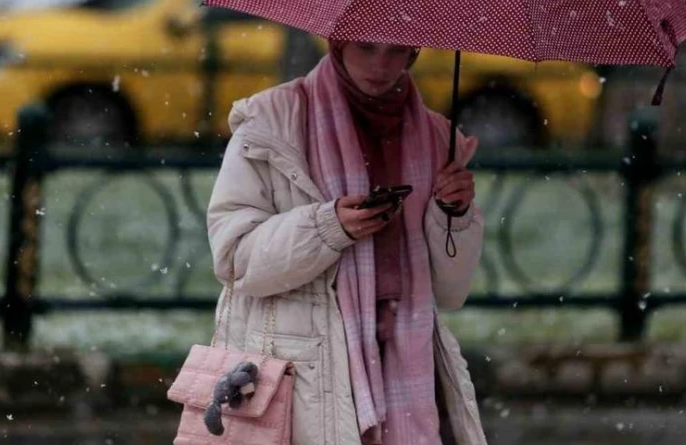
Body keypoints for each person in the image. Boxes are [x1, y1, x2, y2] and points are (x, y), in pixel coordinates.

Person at [206, 40, 487, 445]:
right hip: (303, 371)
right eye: (367, 47)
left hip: (408, 368)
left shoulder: (438, 139)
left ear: (415, 53)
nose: (381, 64)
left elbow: (451, 290)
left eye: (397, 50)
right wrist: (327, 227)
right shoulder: (273, 121)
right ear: (337, 42)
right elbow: (235, 258)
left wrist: (454, 215)